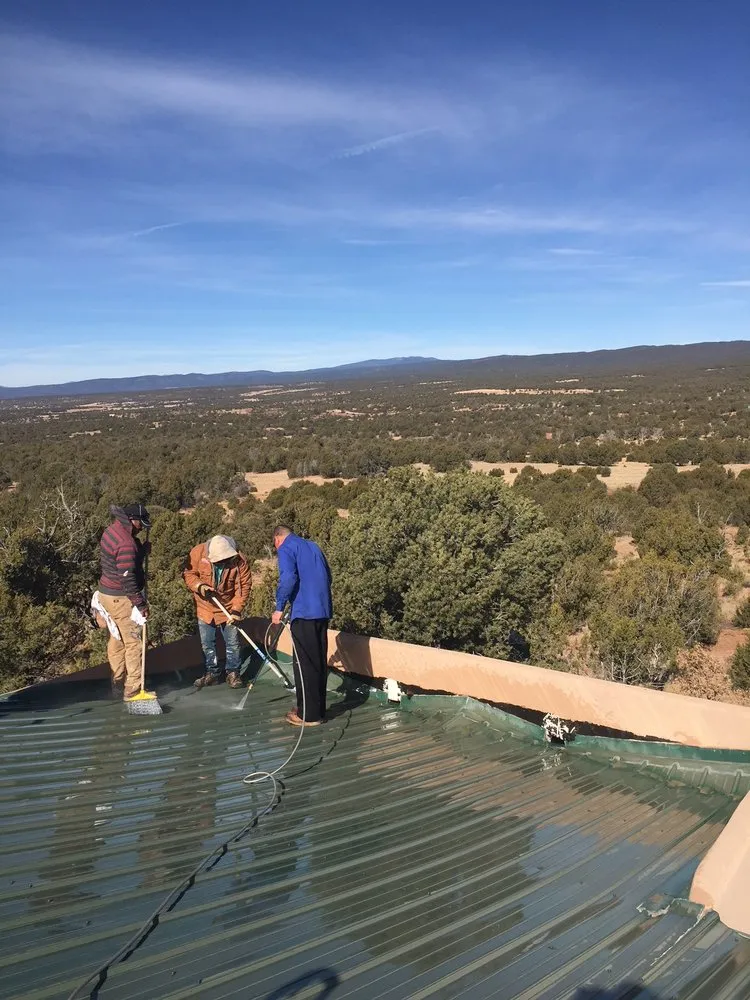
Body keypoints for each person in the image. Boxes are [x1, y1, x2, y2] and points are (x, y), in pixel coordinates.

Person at [272, 525, 332, 726]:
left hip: (304, 613)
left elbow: (288, 578)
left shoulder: (286, 548)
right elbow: (328, 576)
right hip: (322, 611)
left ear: (278, 539)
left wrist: (279, 607)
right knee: (318, 662)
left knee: (303, 664)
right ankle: (317, 710)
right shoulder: (314, 546)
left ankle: (308, 715)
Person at [183, 534, 251, 690]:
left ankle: (233, 673)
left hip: (228, 607)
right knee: (207, 644)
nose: (222, 563)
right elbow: (189, 574)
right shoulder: (198, 553)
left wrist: (236, 610)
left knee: (233, 643)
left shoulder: (239, 561)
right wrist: (200, 586)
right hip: (205, 606)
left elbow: (243, 588)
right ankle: (212, 673)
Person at [98, 503, 151, 699]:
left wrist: (141, 551)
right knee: (134, 642)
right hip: (121, 597)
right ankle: (134, 690)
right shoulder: (127, 544)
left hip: (106, 594)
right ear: (131, 520)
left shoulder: (112, 530)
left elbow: (120, 560)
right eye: (140, 524)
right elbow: (128, 579)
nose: (141, 528)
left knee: (117, 639)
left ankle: (117, 684)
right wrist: (140, 604)